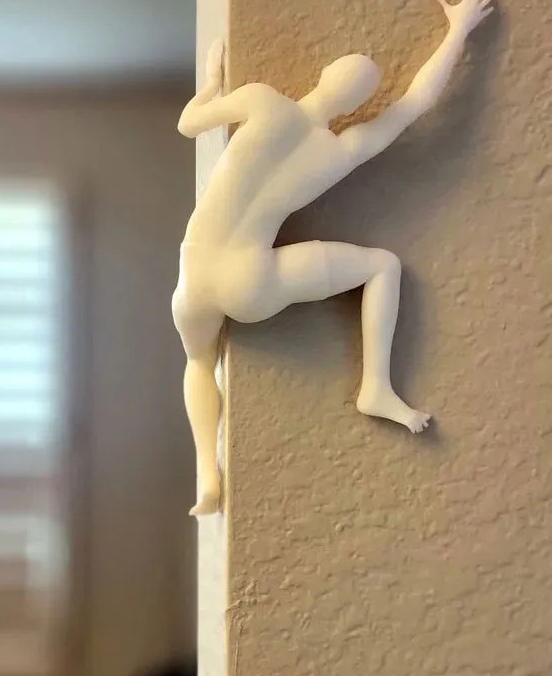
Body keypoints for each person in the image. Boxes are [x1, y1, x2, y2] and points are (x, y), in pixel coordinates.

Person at [173, 0, 494, 516]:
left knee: (198, 361)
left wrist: (211, 83)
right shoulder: (340, 151)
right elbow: (416, 102)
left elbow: (190, 123)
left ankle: (207, 475)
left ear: (323, 74)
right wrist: (456, 33)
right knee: (382, 266)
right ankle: (376, 387)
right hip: (250, 281)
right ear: (357, 104)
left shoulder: (261, 100)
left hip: (196, 265)